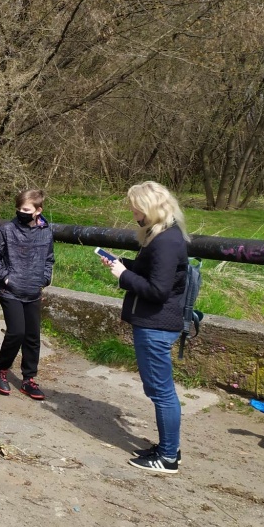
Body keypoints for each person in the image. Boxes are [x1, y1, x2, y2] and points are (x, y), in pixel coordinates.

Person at [100, 181, 190, 475]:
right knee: (159, 390)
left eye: (136, 208)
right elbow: (153, 273)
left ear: (149, 207)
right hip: (155, 323)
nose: (133, 213)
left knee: (161, 392)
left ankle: (167, 457)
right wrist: (121, 263)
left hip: (156, 325)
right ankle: (167, 448)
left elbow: (158, 290)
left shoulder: (165, 241)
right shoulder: (163, 235)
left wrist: (124, 276)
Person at [0, 189, 55, 400]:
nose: (21, 212)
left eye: (26, 209)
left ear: (38, 211)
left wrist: (43, 279)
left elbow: (49, 259)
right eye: (18, 208)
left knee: (32, 336)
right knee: (16, 332)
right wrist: (5, 278)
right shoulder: (8, 229)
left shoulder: (46, 231)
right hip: (10, 291)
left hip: (33, 291)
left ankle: (28, 379)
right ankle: (1, 369)